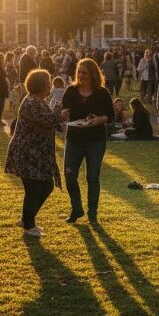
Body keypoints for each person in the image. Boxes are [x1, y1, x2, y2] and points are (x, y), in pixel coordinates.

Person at [6, 69, 68, 236]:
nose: (50, 85)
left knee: (36, 187)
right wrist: (57, 109)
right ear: (41, 85)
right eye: (48, 82)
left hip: (33, 152)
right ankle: (28, 224)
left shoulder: (36, 100)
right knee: (40, 187)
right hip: (28, 152)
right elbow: (48, 121)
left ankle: (27, 219)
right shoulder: (33, 101)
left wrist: (58, 116)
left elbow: (47, 122)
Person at [61, 58, 115, 223]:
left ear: (93, 74)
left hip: (95, 140)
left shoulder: (102, 93)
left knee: (92, 177)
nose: (81, 75)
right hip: (74, 138)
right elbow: (65, 111)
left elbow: (111, 116)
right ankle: (77, 208)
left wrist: (99, 119)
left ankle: (93, 213)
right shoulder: (70, 91)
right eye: (79, 72)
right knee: (69, 175)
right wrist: (64, 114)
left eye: (84, 72)